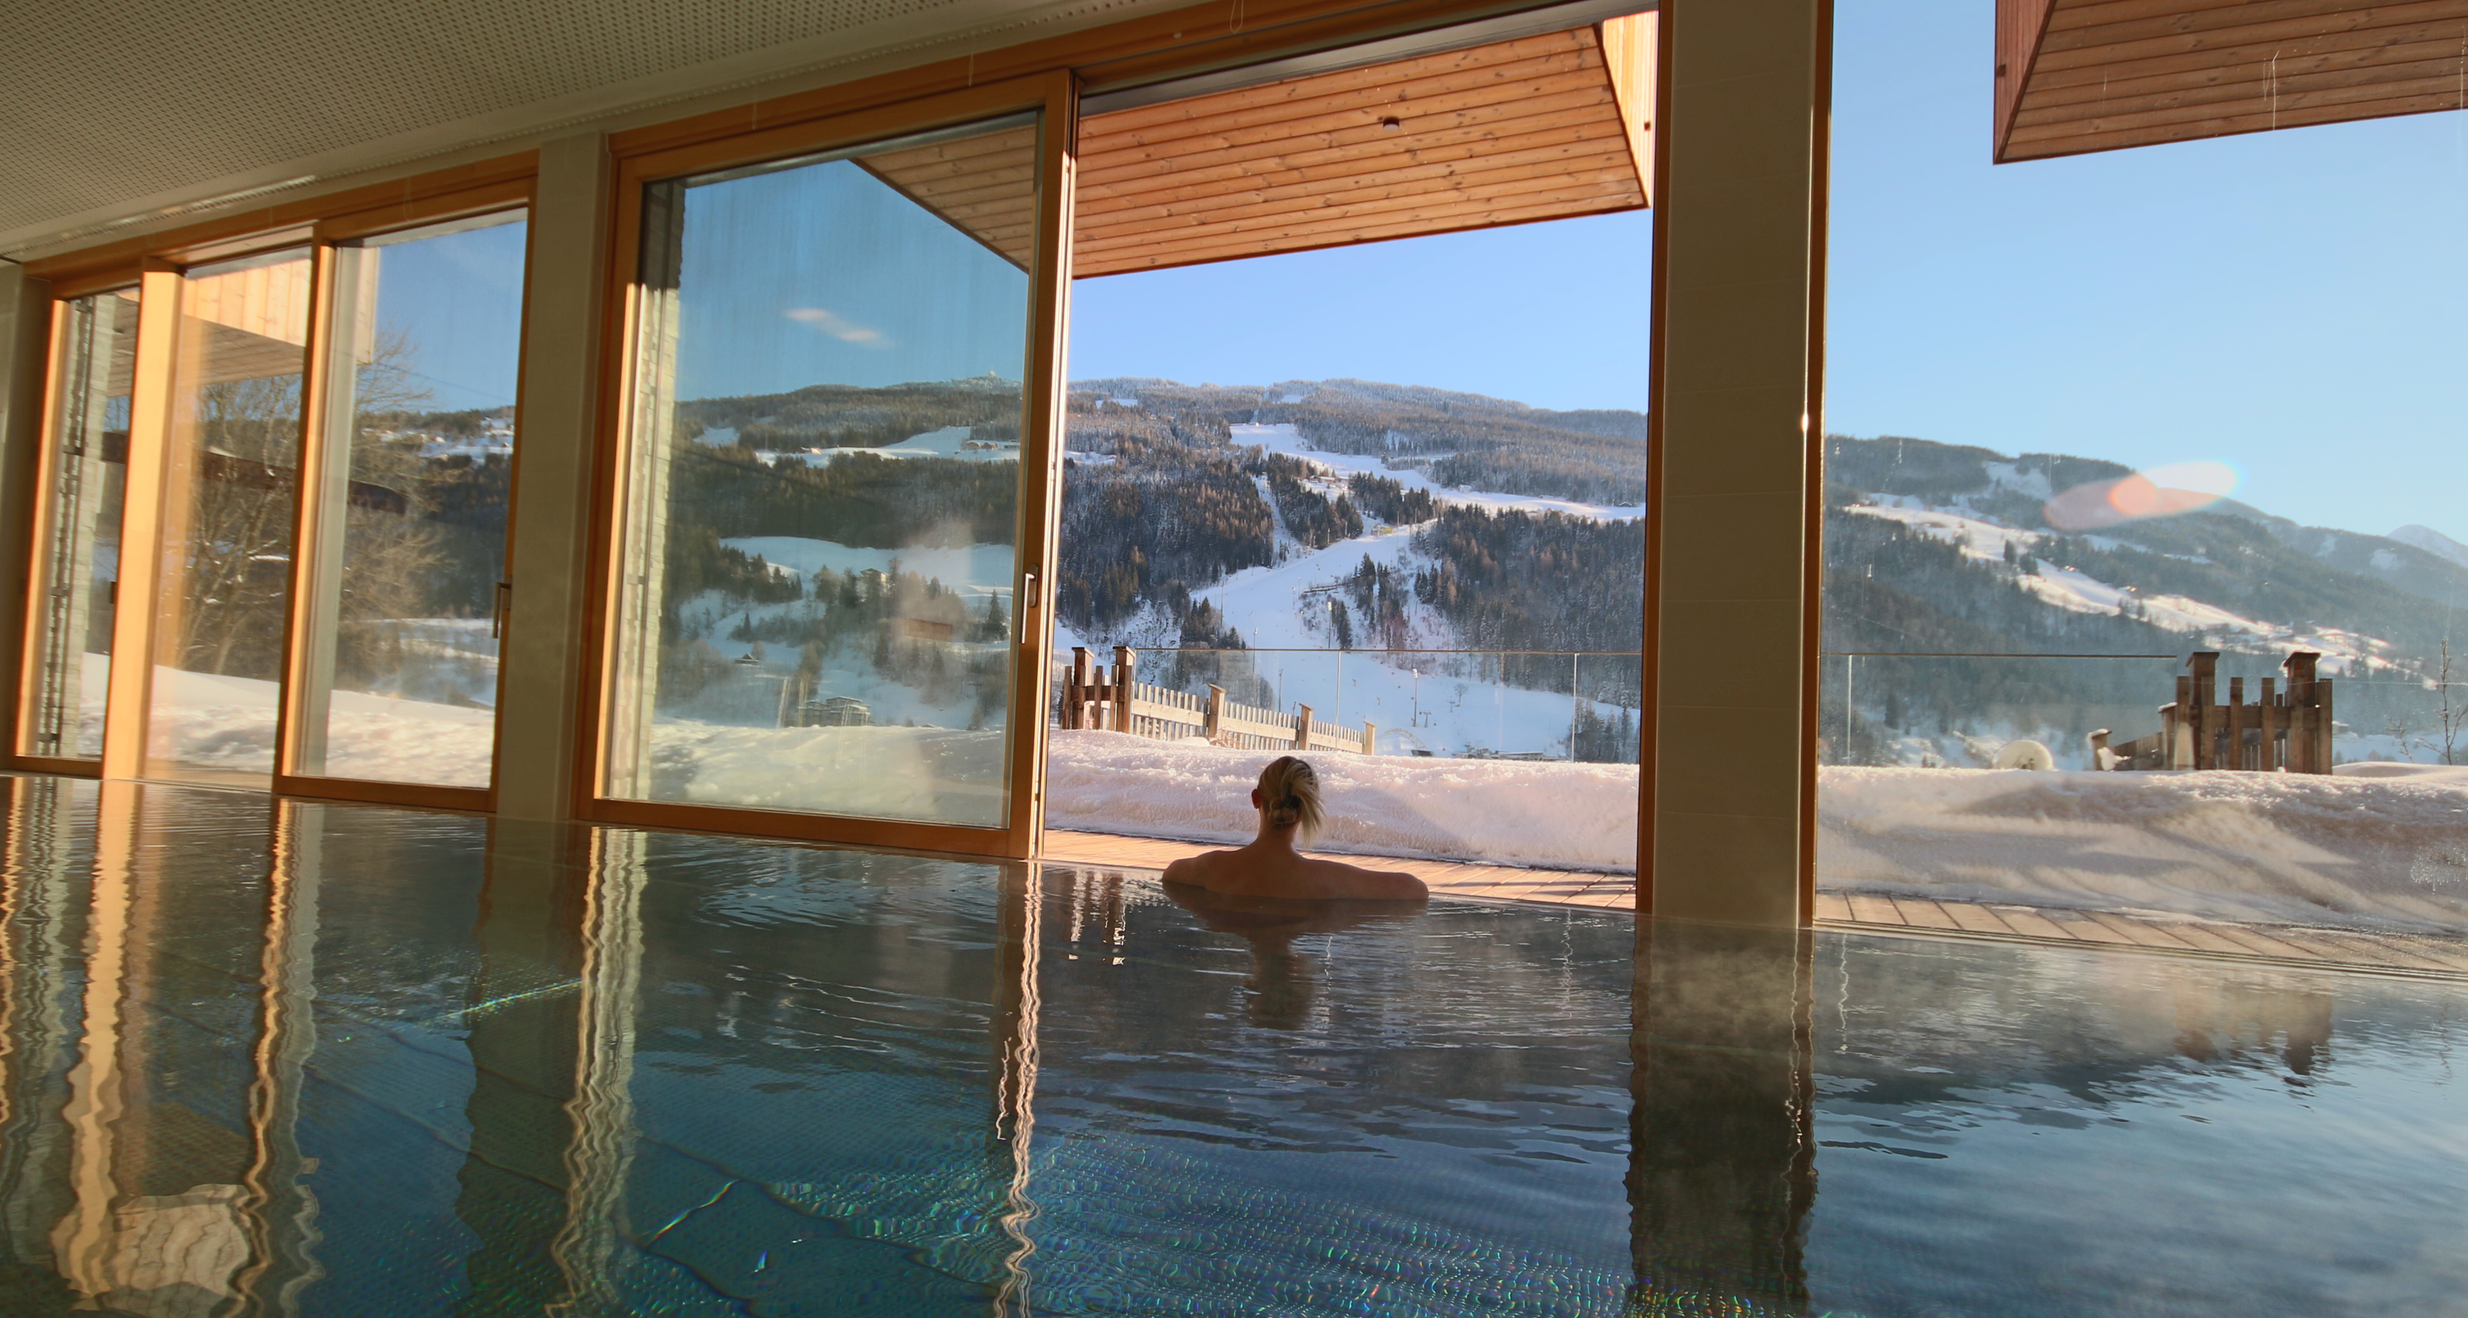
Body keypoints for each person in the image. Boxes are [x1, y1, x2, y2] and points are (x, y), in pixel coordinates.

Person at [1162, 755, 1429, 900]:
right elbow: (1416, 890)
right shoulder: (1330, 880)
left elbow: (1171, 873)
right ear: (1307, 806)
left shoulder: (1209, 869)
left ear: (1256, 799)